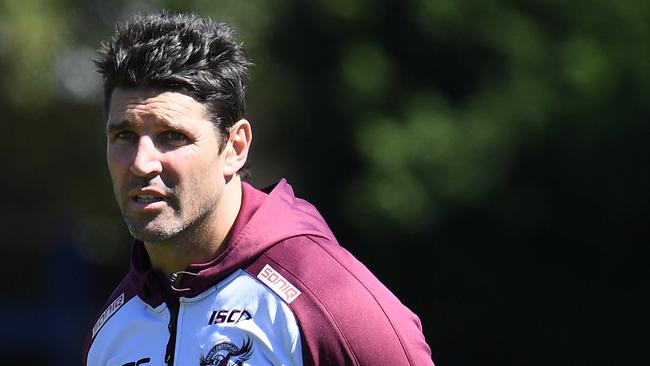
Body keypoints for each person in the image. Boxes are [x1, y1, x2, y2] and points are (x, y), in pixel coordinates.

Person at [83, 12, 434, 366]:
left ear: (235, 147)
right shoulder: (112, 332)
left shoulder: (331, 304)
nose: (142, 163)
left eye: (173, 136)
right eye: (124, 136)